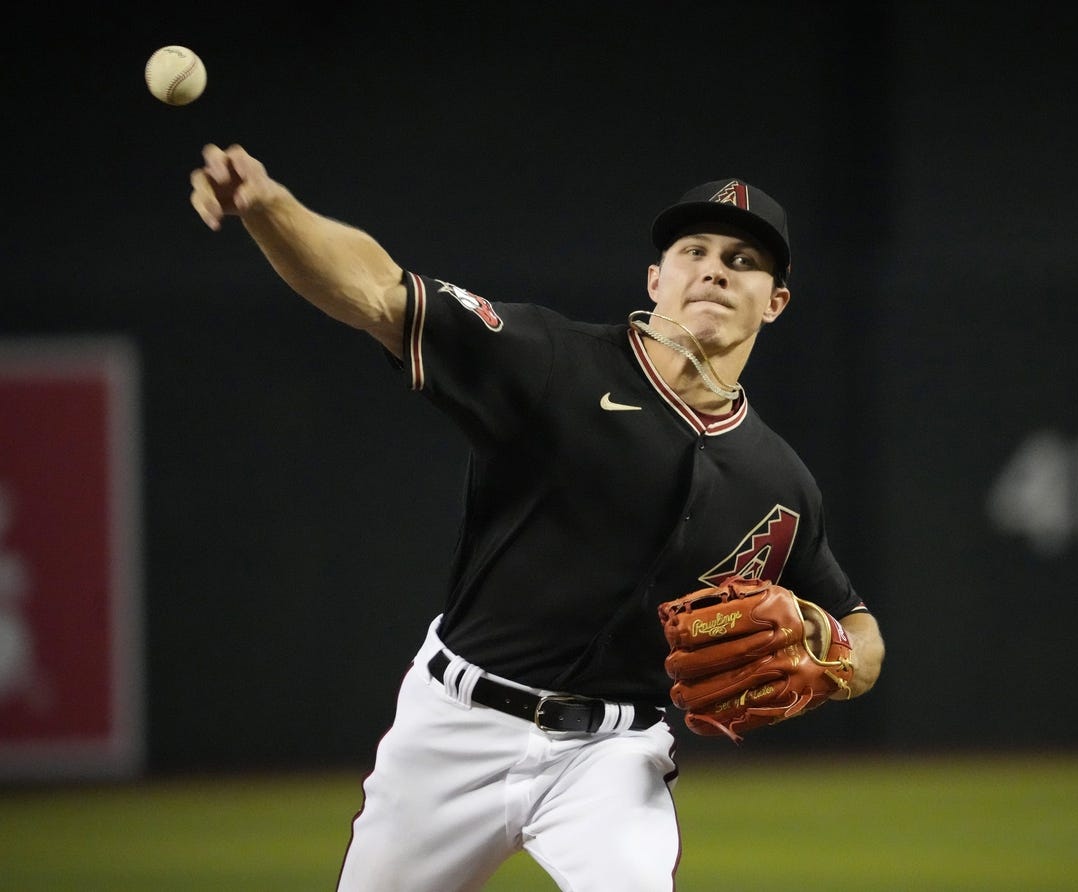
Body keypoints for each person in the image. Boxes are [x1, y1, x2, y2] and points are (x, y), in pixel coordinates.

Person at [189, 145, 885, 892]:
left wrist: (832, 652)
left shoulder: (780, 483)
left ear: (775, 300)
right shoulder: (555, 362)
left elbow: (861, 629)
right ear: (656, 279)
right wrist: (268, 206)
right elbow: (378, 293)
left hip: (613, 761)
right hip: (455, 727)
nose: (714, 268)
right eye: (694, 251)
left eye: (743, 260)